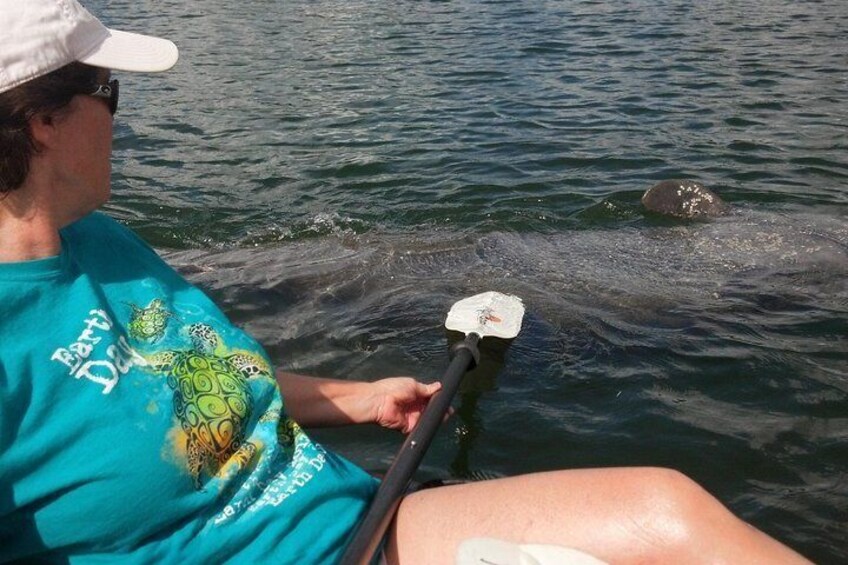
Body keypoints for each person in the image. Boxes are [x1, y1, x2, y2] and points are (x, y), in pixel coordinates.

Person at [0, 2, 810, 564]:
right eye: (108, 91)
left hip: (367, 520)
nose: (120, 114)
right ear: (43, 121)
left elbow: (176, 378)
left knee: (668, 510)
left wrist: (354, 396)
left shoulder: (101, 242)